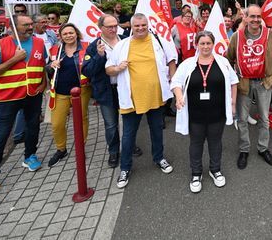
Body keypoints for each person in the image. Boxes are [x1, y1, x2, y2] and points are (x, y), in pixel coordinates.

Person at [106, 14, 178, 188]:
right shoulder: (122, 45)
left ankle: (159, 158)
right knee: (129, 135)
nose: (140, 28)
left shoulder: (159, 41)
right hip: (131, 99)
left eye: (143, 25)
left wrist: (174, 83)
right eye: (137, 25)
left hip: (156, 96)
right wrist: (117, 68)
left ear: (148, 25)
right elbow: (108, 69)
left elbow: (172, 61)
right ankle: (125, 168)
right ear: (131, 27)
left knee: (157, 131)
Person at [0, 14, 47, 201]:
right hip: (8, 98)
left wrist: (43, 82)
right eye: (25, 25)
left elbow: (41, 64)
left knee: (33, 127)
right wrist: (15, 59)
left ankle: (30, 156)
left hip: (33, 95)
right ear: (13, 26)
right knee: (1, 136)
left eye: (31, 24)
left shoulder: (39, 43)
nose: (30, 27)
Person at [171, 31, 239, 193]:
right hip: (195, 114)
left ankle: (215, 170)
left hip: (217, 113)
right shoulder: (188, 64)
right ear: (196, 45)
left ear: (213, 44)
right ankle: (196, 173)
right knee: (196, 143)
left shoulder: (222, 62)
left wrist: (233, 103)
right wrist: (179, 96)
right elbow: (176, 82)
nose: (206, 46)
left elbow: (233, 82)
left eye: (208, 43)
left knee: (216, 142)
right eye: (202, 43)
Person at [226, 4, 272, 169]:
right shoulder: (237, 37)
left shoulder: (271, 35)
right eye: (252, 16)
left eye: (258, 16)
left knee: (264, 119)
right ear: (246, 17)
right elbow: (228, 59)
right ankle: (244, 150)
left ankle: (263, 148)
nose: (256, 20)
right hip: (243, 83)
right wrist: (234, 78)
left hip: (264, 83)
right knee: (243, 119)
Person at [82, 15, 142, 168]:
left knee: (130, 121)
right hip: (106, 91)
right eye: (109, 27)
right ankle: (113, 151)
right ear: (100, 27)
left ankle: (130, 145)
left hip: (127, 89)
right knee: (111, 124)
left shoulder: (126, 40)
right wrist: (99, 57)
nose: (113, 29)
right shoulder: (94, 46)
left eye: (115, 25)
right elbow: (87, 71)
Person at [47, 24, 92, 168]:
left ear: (76, 33)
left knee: (81, 119)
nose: (68, 36)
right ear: (60, 36)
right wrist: (51, 65)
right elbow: (47, 68)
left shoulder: (86, 47)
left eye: (71, 33)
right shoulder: (55, 50)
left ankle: (81, 148)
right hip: (60, 91)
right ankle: (61, 149)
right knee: (57, 123)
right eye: (65, 33)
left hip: (81, 90)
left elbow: (92, 65)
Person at [12, 13, 59, 145]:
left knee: (50, 94)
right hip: (32, 72)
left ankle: (49, 117)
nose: (45, 24)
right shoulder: (29, 37)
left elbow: (56, 48)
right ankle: (19, 134)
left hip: (49, 66)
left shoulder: (51, 34)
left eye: (46, 21)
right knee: (25, 104)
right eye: (42, 22)